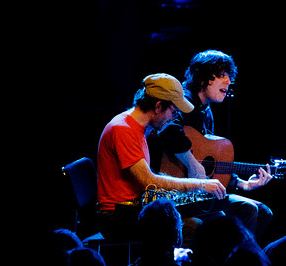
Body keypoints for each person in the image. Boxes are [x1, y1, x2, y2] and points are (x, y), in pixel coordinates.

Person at [156, 50, 273, 240]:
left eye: (229, 76)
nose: (228, 81)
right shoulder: (183, 99)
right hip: (177, 190)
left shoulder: (206, 110)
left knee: (262, 211)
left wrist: (241, 183)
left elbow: (210, 158)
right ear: (202, 77)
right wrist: (193, 164)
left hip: (201, 191)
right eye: (221, 75)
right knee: (243, 212)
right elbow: (169, 130)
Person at [95, 73, 228, 241]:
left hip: (134, 208)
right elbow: (148, 181)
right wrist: (200, 184)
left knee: (214, 217)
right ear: (158, 106)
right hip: (117, 218)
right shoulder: (123, 129)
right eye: (174, 111)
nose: (174, 118)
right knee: (196, 228)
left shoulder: (138, 128)